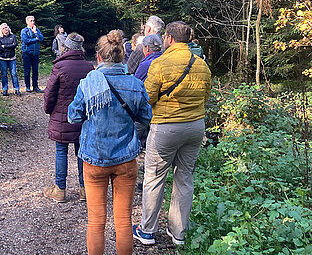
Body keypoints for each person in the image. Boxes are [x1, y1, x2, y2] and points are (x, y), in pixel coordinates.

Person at [68, 30, 152, 255]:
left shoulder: (88, 83)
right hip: (126, 159)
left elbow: (73, 116)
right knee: (123, 220)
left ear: (98, 57)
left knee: (96, 221)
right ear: (123, 55)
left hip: (95, 159)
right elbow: (146, 117)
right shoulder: (134, 84)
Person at [132, 21, 211, 247]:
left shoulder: (161, 63)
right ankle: (178, 233)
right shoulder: (201, 64)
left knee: (155, 177)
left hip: (166, 127)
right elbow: (206, 96)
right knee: (184, 178)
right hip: (195, 127)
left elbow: (148, 97)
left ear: (169, 38)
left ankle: (147, 230)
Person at [43, 32, 94, 203]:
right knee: (82, 152)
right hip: (83, 116)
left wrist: (49, 110)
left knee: (61, 150)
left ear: (66, 47)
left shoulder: (60, 66)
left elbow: (50, 93)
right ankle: (84, 189)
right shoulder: (88, 67)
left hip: (62, 114)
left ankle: (60, 190)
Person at [20, 15, 44, 93]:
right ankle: (27, 86)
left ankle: (35, 86)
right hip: (27, 53)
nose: (33, 22)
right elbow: (26, 40)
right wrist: (35, 39)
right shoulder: (24, 31)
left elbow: (41, 38)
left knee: (35, 71)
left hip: (35, 53)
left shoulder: (36, 30)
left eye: (33, 20)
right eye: (31, 21)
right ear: (27, 22)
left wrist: (35, 33)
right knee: (27, 70)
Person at [0, 23, 21, 96]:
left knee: (14, 74)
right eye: (3, 28)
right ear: (1, 30)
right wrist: (9, 46)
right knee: (4, 74)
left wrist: (5, 46)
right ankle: (5, 89)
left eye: (6, 27)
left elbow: (15, 45)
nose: (5, 29)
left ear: (8, 28)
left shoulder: (13, 36)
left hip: (12, 58)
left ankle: (16, 89)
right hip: (3, 58)